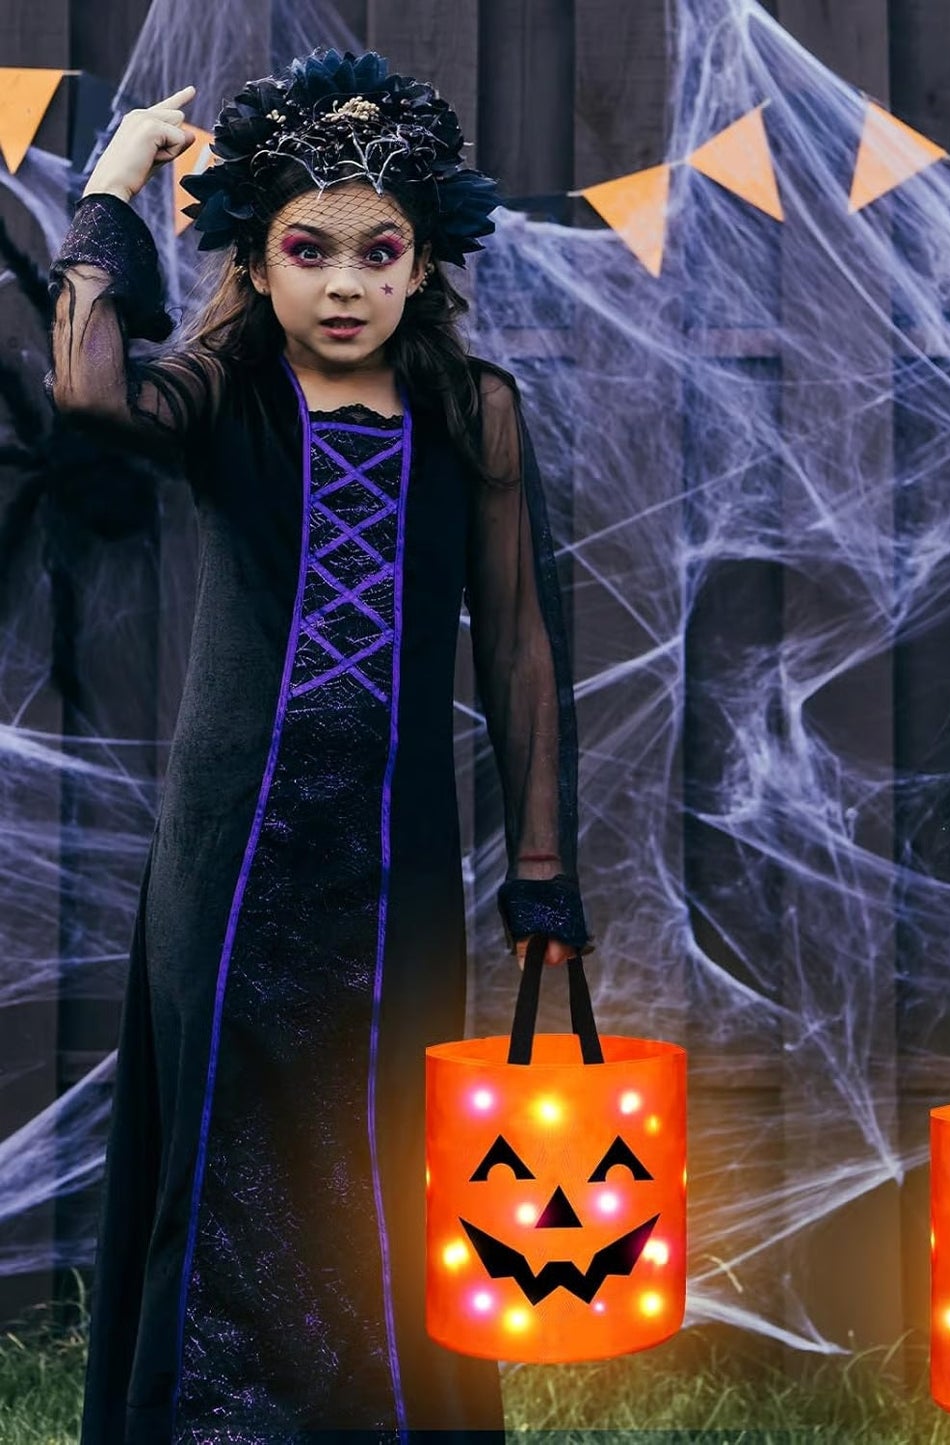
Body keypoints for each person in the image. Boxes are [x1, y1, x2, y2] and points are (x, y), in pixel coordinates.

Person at [49, 48, 588, 1443]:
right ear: (258, 256)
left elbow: (518, 644)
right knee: (221, 1134)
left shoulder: (474, 414)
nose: (343, 284)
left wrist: (541, 869)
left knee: (380, 1148)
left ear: (422, 263)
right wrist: (111, 190)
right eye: (308, 249)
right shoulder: (223, 396)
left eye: (376, 252)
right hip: (230, 854)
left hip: (391, 859)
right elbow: (93, 393)